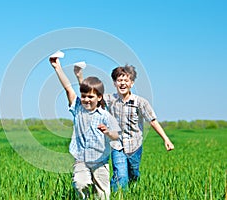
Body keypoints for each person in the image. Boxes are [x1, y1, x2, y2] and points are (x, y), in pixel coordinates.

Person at [74, 64, 175, 192]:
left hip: (135, 145)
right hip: (117, 145)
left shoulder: (140, 102)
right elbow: (90, 93)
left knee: (133, 174)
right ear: (115, 83)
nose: (122, 83)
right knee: (120, 176)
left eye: (126, 80)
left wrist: (166, 139)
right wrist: (79, 76)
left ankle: (133, 188)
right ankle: (117, 195)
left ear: (131, 83)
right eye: (119, 80)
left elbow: (152, 121)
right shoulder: (109, 99)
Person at [49, 57, 121, 200]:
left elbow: (116, 135)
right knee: (80, 184)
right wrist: (57, 67)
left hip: (101, 161)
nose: (86, 99)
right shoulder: (78, 109)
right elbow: (68, 89)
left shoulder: (105, 116)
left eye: (90, 96)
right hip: (81, 159)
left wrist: (107, 132)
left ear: (99, 97)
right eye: (83, 96)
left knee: (103, 195)